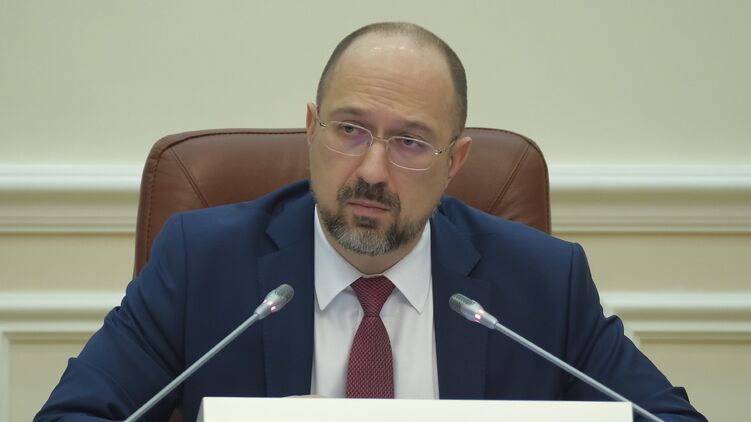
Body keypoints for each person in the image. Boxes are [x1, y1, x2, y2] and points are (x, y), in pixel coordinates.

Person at [36, 22, 706, 421]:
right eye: (349, 130)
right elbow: (73, 414)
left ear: (454, 162)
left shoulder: (543, 284)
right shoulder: (203, 264)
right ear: (311, 130)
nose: (373, 171)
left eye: (410, 142)